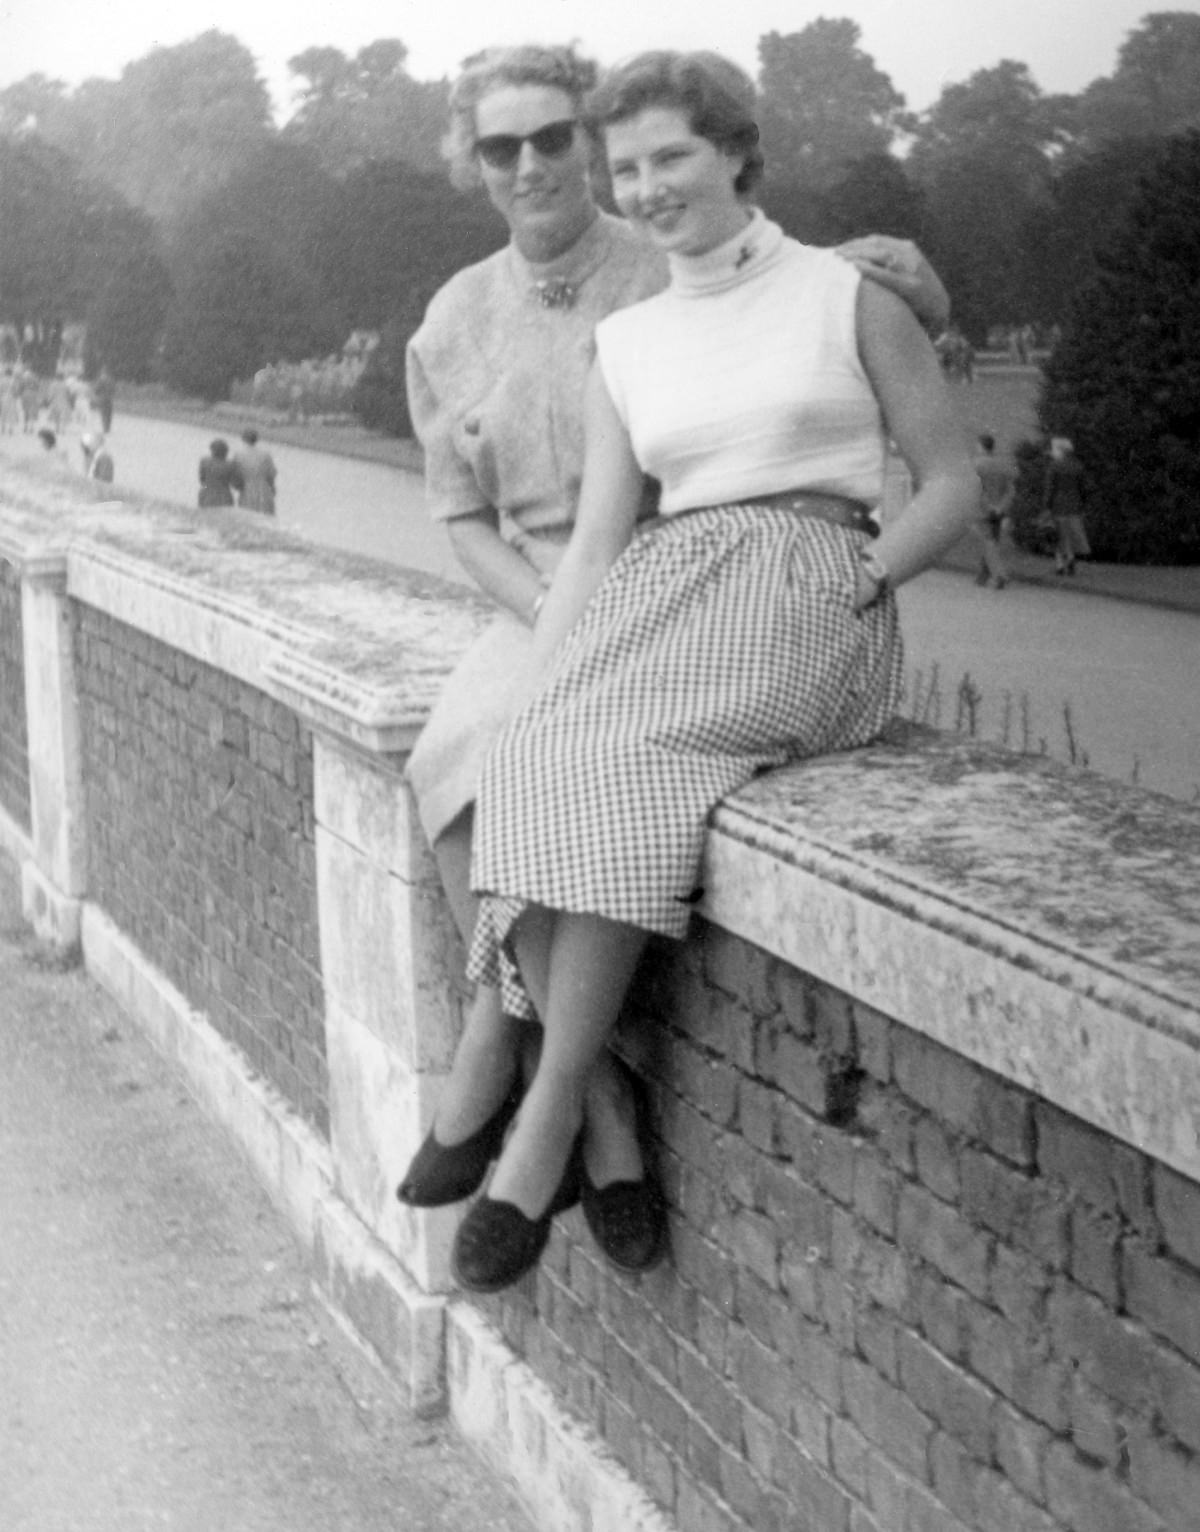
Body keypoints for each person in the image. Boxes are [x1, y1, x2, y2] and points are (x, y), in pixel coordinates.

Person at [393, 43, 952, 1260]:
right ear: (475, 162)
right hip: (575, 589)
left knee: (592, 761)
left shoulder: (706, 258)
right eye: (505, 146)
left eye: (557, 139)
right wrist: (553, 637)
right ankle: (570, 1086)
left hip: (749, 583)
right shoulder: (462, 321)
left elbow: (854, 330)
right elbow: (477, 523)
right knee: (484, 756)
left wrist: (868, 560)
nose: (538, 163)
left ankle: (523, 1082)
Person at [972, 433, 1014, 589]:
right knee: (992, 541)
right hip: (999, 510)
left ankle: (999, 575)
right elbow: (1010, 490)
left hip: (983, 509)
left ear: (981, 446)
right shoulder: (1002, 465)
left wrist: (988, 505)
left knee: (988, 542)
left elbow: (977, 489)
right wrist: (1001, 506)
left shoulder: (977, 465)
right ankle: (983, 575)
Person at [1044, 436, 1090, 576]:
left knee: (1058, 534)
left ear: (1060, 450)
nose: (1052, 451)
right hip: (1075, 504)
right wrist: (1083, 503)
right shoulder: (1078, 465)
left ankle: (1059, 564)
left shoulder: (1054, 466)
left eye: (1054, 448)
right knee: (1069, 533)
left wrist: (1046, 505)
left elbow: (1050, 488)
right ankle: (1070, 558)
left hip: (1058, 504)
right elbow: (1083, 488)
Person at [233, 428, 278, 515]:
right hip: (264, 489)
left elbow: (236, 476)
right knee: (266, 516)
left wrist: (238, 487)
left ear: (243, 439)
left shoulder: (238, 455)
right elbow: (271, 474)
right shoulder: (265, 454)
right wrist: (272, 487)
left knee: (247, 516)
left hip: (247, 489)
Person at [197, 438, 243, 508]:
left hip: (206, 493)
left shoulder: (204, 461)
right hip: (224, 495)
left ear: (212, 450)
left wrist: (206, 487)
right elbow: (236, 484)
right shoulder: (230, 465)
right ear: (226, 452)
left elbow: (202, 480)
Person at [93, 368, 116, 434]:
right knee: (109, 413)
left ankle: (105, 428)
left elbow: (96, 389)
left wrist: (96, 394)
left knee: (103, 413)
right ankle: (108, 428)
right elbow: (114, 389)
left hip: (102, 398)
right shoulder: (111, 380)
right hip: (109, 398)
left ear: (102, 373)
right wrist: (111, 394)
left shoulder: (100, 380)